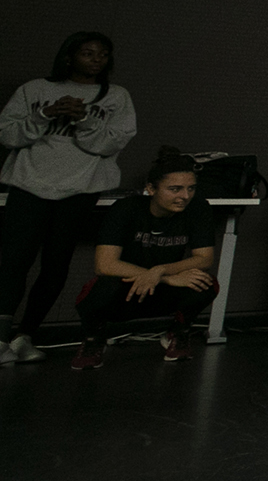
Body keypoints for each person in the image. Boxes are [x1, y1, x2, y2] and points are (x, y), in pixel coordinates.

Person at [0, 32, 137, 363]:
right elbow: (7, 135)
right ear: (68, 57)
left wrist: (84, 118)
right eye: (88, 53)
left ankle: (25, 335)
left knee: (55, 265)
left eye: (103, 55)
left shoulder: (116, 96)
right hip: (29, 186)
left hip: (80, 190)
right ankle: (0, 340)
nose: (96, 60)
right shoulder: (34, 89)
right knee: (13, 264)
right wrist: (45, 114)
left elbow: (111, 144)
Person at [69, 150, 220, 368]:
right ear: (151, 189)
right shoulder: (126, 209)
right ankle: (94, 338)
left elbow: (204, 258)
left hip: (161, 292)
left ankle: (179, 332)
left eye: (191, 188)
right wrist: (164, 277)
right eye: (175, 189)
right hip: (126, 289)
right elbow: (105, 265)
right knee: (101, 287)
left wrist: (159, 270)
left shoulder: (197, 208)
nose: (185, 196)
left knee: (205, 282)